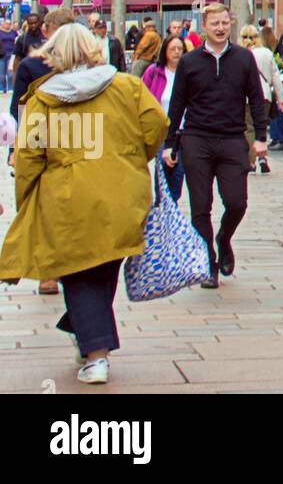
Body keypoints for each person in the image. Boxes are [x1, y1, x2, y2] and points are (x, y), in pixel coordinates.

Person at [0, 23, 168, 385]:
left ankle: (96, 356)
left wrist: (25, 200)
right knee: (103, 267)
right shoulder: (127, 87)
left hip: (67, 198)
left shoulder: (44, 97)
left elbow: (30, 156)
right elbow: (157, 126)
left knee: (78, 273)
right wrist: (132, 157)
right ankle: (84, 331)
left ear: (54, 55)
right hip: (123, 192)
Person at [161, 3, 268, 289]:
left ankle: (223, 238)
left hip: (233, 138)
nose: (220, 28)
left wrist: (260, 137)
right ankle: (208, 262)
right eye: (215, 23)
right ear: (204, 26)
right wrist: (170, 143)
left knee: (236, 202)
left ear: (230, 24)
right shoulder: (190, 61)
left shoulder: (244, 58)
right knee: (200, 206)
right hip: (197, 139)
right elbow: (177, 103)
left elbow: (256, 99)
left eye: (224, 23)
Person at [7, 6, 77, 297]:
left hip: (44, 139)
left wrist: (15, 147)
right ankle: (52, 271)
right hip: (74, 139)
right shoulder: (85, 64)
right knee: (57, 208)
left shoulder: (77, 63)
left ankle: (53, 271)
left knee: (50, 208)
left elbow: (18, 111)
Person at [142, 34, 188, 201]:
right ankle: (163, 208)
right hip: (162, 131)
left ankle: (172, 208)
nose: (176, 52)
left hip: (185, 130)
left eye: (179, 49)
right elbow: (143, 97)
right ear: (165, 51)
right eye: (172, 49)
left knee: (178, 173)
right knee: (163, 173)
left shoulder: (189, 72)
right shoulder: (154, 72)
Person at [241, 24, 283, 174]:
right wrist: (281, 98)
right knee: (260, 126)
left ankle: (251, 161)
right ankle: (262, 157)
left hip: (246, 97)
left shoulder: (241, 53)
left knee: (249, 128)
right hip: (265, 95)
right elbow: (275, 76)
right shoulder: (266, 53)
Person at [0, 17, 15, 95]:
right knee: (1, 73)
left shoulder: (13, 32)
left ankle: (10, 88)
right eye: (6, 23)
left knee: (10, 73)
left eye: (9, 24)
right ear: (3, 24)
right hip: (2, 54)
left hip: (11, 54)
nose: (8, 25)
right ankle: (1, 88)